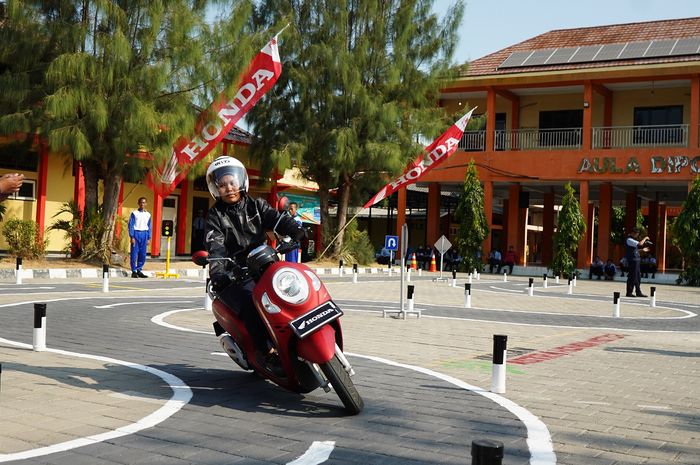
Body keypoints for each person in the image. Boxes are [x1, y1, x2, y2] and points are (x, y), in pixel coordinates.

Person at [204, 156, 305, 371]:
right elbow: (216, 246)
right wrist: (218, 270)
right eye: (222, 185)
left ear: (241, 181)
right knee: (252, 305)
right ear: (216, 188)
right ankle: (266, 352)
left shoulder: (256, 205)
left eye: (232, 182)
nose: (229, 188)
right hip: (236, 273)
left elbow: (278, 220)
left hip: (264, 262)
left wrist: (295, 230)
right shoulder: (215, 216)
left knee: (291, 287)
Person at [128, 197, 151, 278]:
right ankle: (134, 271)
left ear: (146, 204)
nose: (142, 204)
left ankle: (139, 270)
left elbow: (149, 226)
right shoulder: (134, 213)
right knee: (134, 254)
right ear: (138, 203)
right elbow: (131, 225)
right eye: (141, 202)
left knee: (143, 254)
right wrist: (132, 236)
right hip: (136, 234)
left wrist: (148, 238)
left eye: (144, 202)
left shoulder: (148, 214)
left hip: (144, 234)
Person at [625, 227, 651, 297]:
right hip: (632, 260)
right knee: (632, 276)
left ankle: (638, 291)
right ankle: (629, 292)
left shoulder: (632, 240)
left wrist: (642, 250)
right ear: (633, 233)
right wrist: (645, 238)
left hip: (636, 260)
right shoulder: (629, 239)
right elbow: (640, 244)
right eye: (637, 234)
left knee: (638, 277)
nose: (637, 235)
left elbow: (635, 250)